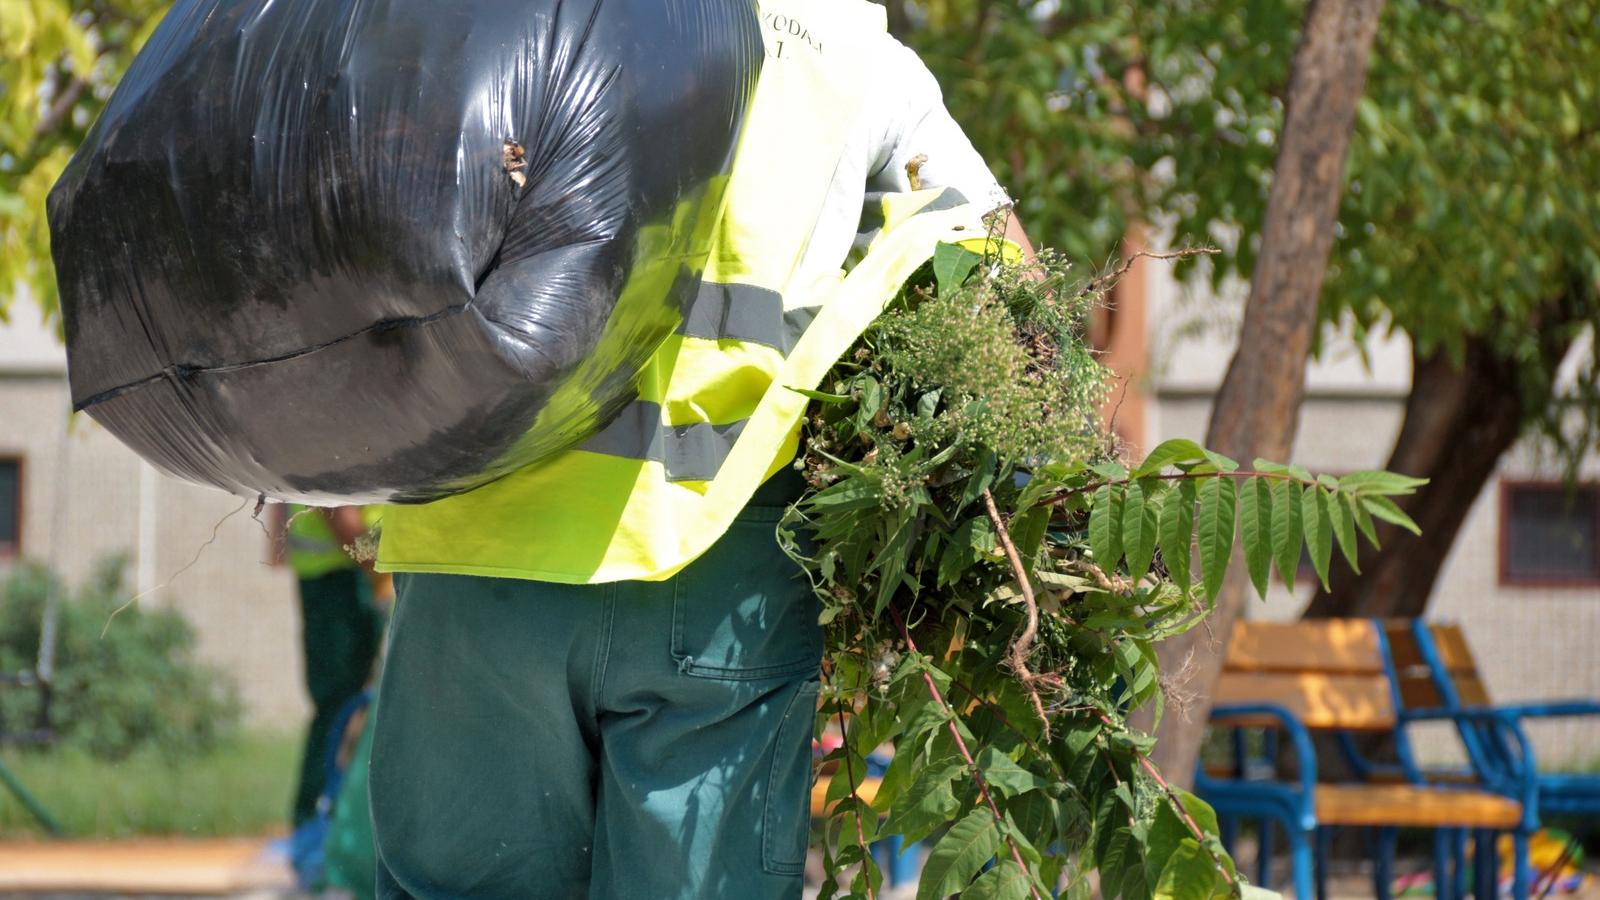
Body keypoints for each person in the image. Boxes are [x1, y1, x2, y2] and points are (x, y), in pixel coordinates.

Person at [368, 1, 1034, 896]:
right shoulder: (849, 54)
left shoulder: (501, 16)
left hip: (478, 555)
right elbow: (1009, 282)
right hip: (713, 565)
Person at [269, 503, 386, 829]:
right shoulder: (328, 454)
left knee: (348, 704)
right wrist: (377, 565)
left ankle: (327, 819)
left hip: (348, 571)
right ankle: (317, 821)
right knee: (340, 705)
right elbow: (339, 512)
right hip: (342, 575)